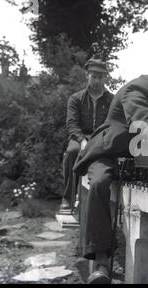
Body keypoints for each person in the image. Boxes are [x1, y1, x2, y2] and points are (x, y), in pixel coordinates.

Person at [73, 54, 148, 284]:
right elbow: (144, 118)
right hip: (109, 152)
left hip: (141, 158)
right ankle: (100, 264)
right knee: (99, 183)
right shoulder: (137, 88)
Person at [60, 58, 113, 210]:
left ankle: (104, 201)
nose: (97, 80)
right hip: (80, 136)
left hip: (101, 137)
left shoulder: (111, 99)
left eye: (100, 77)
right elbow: (71, 124)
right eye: (94, 76)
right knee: (72, 152)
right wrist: (82, 140)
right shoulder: (75, 99)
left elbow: (112, 123)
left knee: (108, 156)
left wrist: (102, 139)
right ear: (87, 76)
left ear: (105, 78)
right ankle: (68, 198)